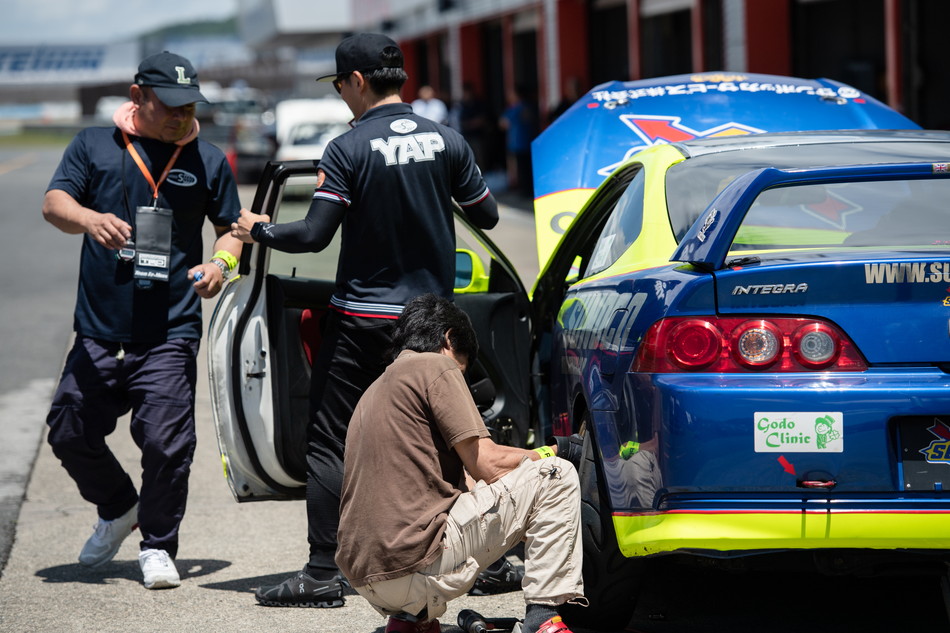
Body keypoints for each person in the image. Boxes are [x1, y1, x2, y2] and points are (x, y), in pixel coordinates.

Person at [230, 33, 500, 608]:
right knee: (453, 437)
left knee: (329, 441)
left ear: (355, 81)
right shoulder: (448, 141)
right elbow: (490, 215)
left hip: (362, 320)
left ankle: (324, 573)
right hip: (431, 325)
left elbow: (312, 235)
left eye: (341, 86)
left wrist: (256, 229)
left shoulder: (348, 149)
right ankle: (482, 555)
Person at [42, 51, 244, 589]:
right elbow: (54, 202)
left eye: (190, 106)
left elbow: (232, 229)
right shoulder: (92, 145)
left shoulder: (208, 159)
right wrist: (88, 219)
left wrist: (220, 264)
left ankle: (158, 545)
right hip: (100, 328)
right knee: (68, 429)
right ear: (138, 97)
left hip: (170, 328)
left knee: (167, 444)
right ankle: (117, 506)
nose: (182, 116)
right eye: (170, 105)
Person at [337, 294, 586, 633]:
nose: (460, 377)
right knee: (556, 477)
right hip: (414, 563)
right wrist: (551, 452)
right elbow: (487, 463)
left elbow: (463, 485)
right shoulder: (435, 364)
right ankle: (543, 619)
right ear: (449, 338)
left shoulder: (374, 391)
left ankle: (409, 621)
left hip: (366, 577)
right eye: (462, 368)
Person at [499, 85, 538, 198]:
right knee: (529, 168)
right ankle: (529, 190)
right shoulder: (530, 106)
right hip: (529, 141)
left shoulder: (515, 108)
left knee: (522, 169)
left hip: (518, 142)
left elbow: (503, 123)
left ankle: (524, 191)